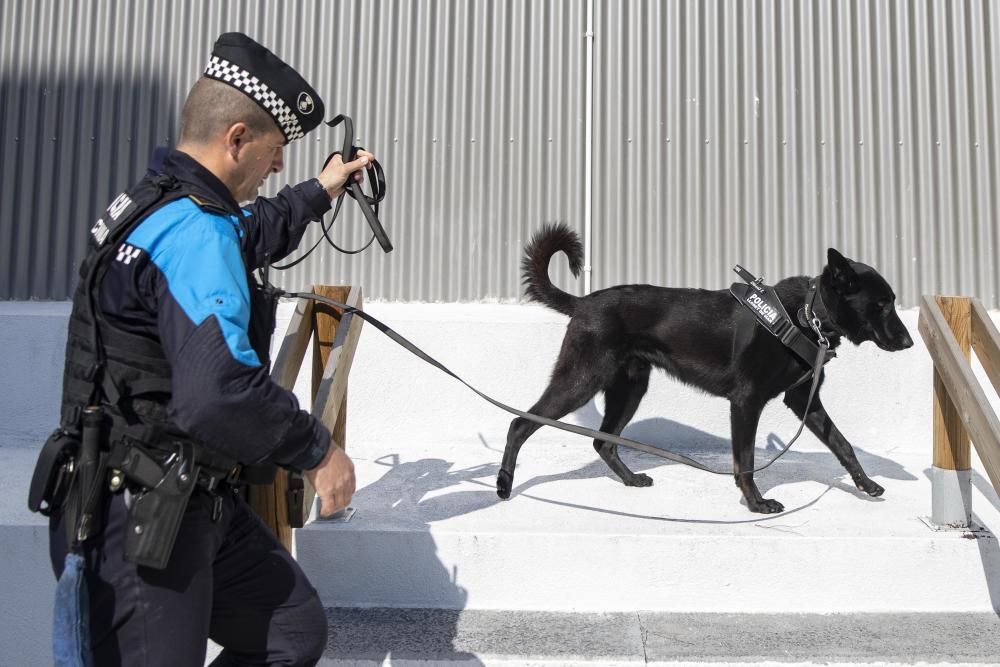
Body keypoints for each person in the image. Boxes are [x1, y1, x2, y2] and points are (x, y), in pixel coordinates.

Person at [43, 32, 367, 665]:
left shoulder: (153, 204)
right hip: (140, 520)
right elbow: (218, 393)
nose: (278, 167)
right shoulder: (195, 232)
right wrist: (318, 450)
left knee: (290, 629)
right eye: (275, 151)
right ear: (237, 138)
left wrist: (321, 189)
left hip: (172, 494)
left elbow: (251, 230)